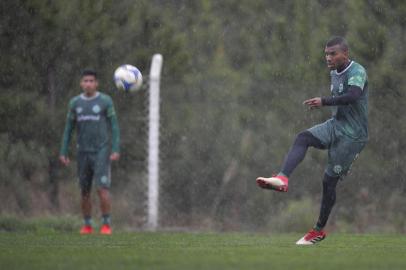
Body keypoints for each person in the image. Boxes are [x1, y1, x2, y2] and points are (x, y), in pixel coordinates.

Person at [256, 36, 368, 245]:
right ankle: (282, 179)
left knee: (328, 182)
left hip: (353, 136)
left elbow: (353, 96)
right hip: (336, 126)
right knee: (303, 137)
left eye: (333, 53)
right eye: (326, 54)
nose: (328, 57)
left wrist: (323, 101)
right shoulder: (334, 72)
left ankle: (318, 230)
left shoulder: (357, 71)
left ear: (346, 54)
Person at [59, 69, 120, 235]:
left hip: (101, 150)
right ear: (81, 83)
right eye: (85, 81)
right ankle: (87, 225)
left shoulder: (105, 101)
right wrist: (63, 151)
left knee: (102, 188)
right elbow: (68, 128)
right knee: (84, 191)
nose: (88, 84)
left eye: (91, 81)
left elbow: (114, 126)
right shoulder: (75, 103)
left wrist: (115, 148)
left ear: (96, 83)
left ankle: (106, 224)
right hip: (82, 152)